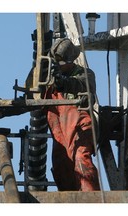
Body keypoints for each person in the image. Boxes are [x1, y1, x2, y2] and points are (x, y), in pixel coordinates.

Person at [44, 38, 100, 191]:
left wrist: (63, 82)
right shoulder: (47, 80)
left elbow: (82, 85)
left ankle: (90, 200)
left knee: (81, 158)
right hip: (60, 132)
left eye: (61, 63)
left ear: (71, 60)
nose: (58, 67)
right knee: (61, 164)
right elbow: (31, 96)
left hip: (80, 127)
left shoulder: (85, 74)